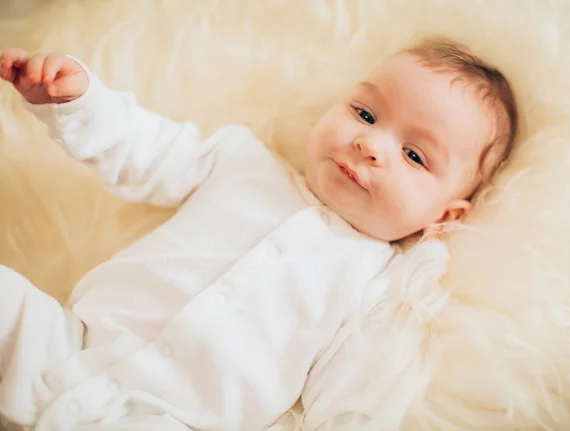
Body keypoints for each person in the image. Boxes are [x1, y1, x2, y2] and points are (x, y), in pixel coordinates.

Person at [0, 37, 518, 431]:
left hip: (171, 417)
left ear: (446, 218)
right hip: (68, 342)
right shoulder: (241, 162)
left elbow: (350, 404)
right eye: (365, 113)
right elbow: (146, 149)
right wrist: (80, 101)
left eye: (414, 155)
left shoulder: (380, 288)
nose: (370, 144)